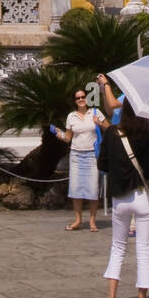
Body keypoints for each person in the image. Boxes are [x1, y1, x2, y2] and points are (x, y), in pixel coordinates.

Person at [97, 100, 149, 298]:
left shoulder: (112, 133)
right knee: (143, 249)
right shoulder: (148, 137)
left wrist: (118, 169)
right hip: (141, 197)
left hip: (119, 197)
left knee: (118, 248)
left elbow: (102, 164)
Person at [54, 86, 101, 231]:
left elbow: (108, 127)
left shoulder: (95, 112)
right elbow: (68, 137)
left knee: (93, 188)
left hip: (92, 155)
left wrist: (99, 122)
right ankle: (78, 220)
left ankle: (92, 221)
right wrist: (59, 135)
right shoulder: (71, 116)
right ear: (75, 101)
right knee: (76, 189)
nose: (81, 99)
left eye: (83, 97)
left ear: (87, 98)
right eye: (78, 98)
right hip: (76, 155)